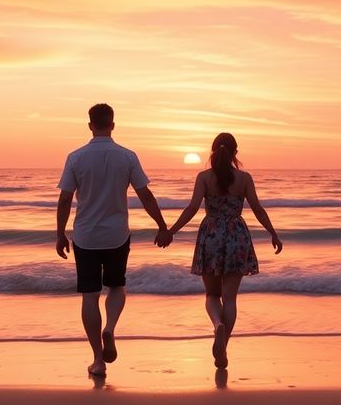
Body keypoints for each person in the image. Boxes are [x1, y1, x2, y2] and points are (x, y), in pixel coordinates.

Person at [56, 103, 169, 376]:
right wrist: (162, 225)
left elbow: (65, 199)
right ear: (113, 125)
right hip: (117, 235)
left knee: (90, 295)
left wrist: (60, 234)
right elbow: (145, 195)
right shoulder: (127, 156)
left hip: (86, 236)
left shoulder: (75, 158)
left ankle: (98, 361)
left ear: (90, 125)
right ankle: (110, 328)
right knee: (117, 286)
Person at [158, 132, 283, 369]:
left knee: (212, 295)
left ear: (213, 151)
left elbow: (192, 208)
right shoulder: (244, 178)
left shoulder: (204, 177)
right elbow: (257, 209)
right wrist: (273, 234)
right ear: (236, 152)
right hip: (237, 235)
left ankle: (217, 325)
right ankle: (223, 348)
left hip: (211, 235)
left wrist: (170, 231)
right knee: (230, 298)